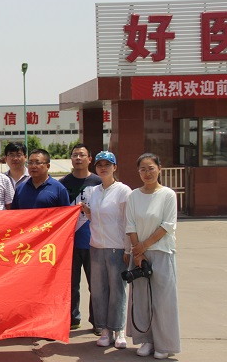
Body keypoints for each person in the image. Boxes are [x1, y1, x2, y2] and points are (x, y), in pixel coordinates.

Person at [125, 153, 180, 360]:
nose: (147, 173)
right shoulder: (134, 196)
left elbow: (167, 226)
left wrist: (143, 247)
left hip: (161, 252)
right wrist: (137, 252)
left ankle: (164, 344)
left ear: (159, 169)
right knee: (142, 299)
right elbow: (130, 225)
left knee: (163, 301)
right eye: (143, 169)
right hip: (139, 254)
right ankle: (146, 340)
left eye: (151, 168)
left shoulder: (167, 195)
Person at [81, 151, 132, 349]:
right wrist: (86, 211)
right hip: (96, 247)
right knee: (99, 290)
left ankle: (118, 330)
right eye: (100, 165)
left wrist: (128, 249)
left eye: (107, 165)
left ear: (115, 167)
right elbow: (95, 218)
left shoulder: (123, 191)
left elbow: (128, 221)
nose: (103, 168)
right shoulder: (93, 191)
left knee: (117, 290)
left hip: (117, 248)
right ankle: (104, 330)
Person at [59, 143, 102, 332]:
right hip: (70, 243)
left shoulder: (99, 182)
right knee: (71, 284)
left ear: (89, 159)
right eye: (75, 155)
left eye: (82, 155)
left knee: (96, 284)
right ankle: (72, 318)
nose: (78, 158)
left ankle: (98, 321)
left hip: (94, 242)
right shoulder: (62, 184)